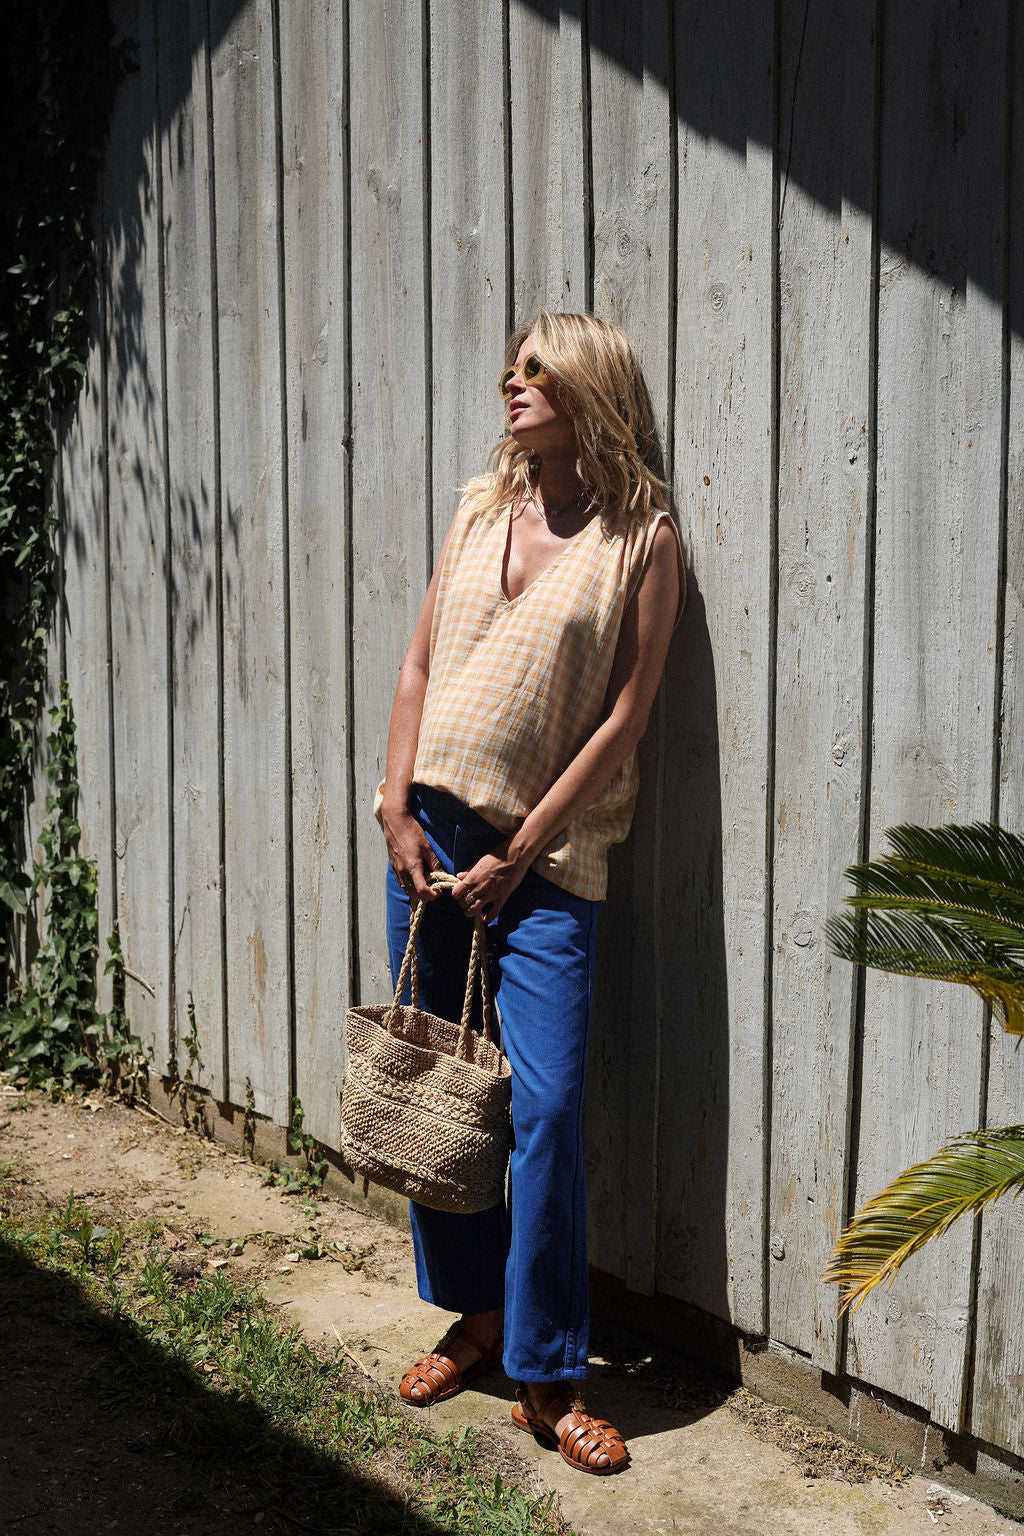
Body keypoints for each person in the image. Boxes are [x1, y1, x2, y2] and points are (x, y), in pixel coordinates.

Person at [377, 310, 684, 1476]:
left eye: (536, 369)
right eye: (509, 367)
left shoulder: (642, 540)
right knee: (441, 1094)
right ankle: (478, 1320)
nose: (512, 383)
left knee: (545, 1108)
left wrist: (523, 848)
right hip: (429, 840)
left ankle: (549, 1375)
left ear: (590, 388)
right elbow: (417, 663)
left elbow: (626, 719)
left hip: (545, 864)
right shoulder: (477, 508)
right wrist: (394, 805)